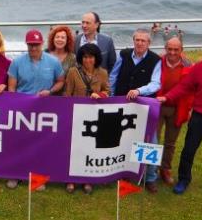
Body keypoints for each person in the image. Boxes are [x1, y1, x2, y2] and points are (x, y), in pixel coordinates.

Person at [159, 37, 202, 195]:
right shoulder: (198, 68)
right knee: (189, 149)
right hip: (200, 114)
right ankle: (184, 179)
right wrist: (167, 97)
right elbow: (184, 87)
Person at [4, 29, 64, 188]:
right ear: (27, 45)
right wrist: (17, 104)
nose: (33, 48)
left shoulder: (53, 62)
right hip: (22, 109)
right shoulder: (17, 62)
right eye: (30, 45)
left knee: (40, 145)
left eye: (36, 45)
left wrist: (50, 91)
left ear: (42, 44)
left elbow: (60, 81)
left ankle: (37, 177)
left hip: (44, 109)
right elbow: (11, 88)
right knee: (19, 143)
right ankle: (15, 175)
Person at [109, 28, 162, 192]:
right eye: (137, 40)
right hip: (122, 104)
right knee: (123, 138)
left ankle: (151, 177)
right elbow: (113, 76)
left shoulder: (155, 60)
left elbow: (156, 83)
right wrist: (110, 95)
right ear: (133, 41)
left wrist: (139, 90)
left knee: (150, 140)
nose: (139, 43)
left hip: (144, 106)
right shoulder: (124, 54)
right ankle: (124, 172)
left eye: (143, 41)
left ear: (149, 43)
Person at [63, 42, 110, 194]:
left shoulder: (102, 73)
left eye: (90, 57)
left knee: (90, 148)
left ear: (96, 59)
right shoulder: (72, 72)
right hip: (76, 114)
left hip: (94, 116)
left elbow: (108, 91)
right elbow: (67, 94)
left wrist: (101, 95)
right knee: (74, 148)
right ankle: (71, 179)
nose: (87, 60)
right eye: (84, 57)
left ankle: (87, 179)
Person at [155, 36, 193, 185]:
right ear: (165, 48)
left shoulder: (189, 64)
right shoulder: (158, 61)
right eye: (169, 49)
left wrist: (189, 109)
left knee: (170, 142)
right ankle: (151, 170)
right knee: (154, 139)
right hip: (158, 106)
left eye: (176, 49)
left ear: (181, 50)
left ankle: (165, 169)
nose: (172, 52)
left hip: (177, 107)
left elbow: (191, 90)